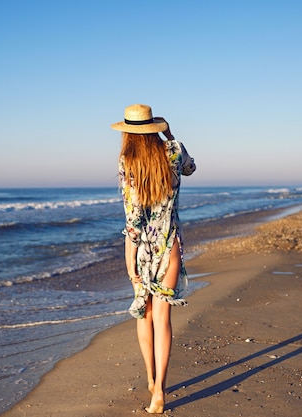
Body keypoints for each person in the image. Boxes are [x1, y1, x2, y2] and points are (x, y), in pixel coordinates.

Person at [111, 104, 196, 414]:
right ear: (153, 127)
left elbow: (133, 220)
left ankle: (150, 378)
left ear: (128, 134)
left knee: (143, 316)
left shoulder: (127, 162)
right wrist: (170, 135)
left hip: (143, 249)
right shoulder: (173, 151)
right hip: (169, 246)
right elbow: (191, 168)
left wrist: (128, 260)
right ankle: (159, 391)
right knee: (162, 319)